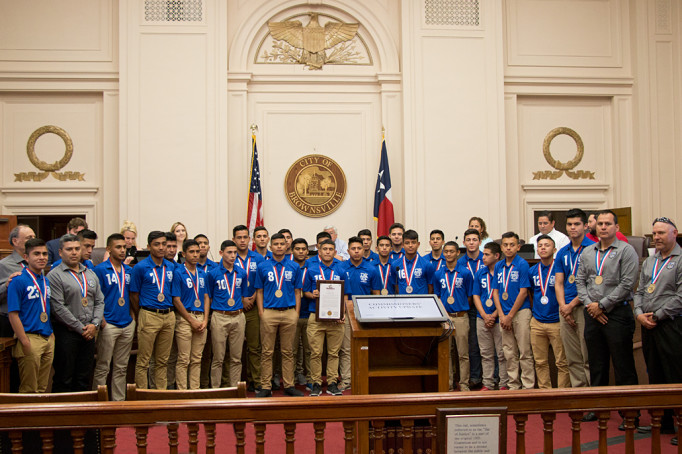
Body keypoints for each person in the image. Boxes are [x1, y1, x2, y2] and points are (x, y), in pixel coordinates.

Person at [576, 210, 639, 428]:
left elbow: (627, 284)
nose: (603, 227)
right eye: (600, 223)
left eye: (607, 224)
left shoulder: (626, 251)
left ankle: (630, 414)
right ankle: (598, 407)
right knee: (597, 364)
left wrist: (602, 305)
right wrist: (591, 306)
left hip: (617, 314)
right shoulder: (587, 252)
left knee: (623, 366)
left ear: (616, 228)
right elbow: (580, 283)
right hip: (592, 314)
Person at [634, 217, 682, 440]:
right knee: (655, 373)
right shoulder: (650, 262)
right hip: (648, 324)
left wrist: (659, 314)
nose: (657, 237)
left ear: (675, 233)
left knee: (675, 375)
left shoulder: (680, 259)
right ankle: (662, 423)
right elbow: (640, 291)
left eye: (662, 233)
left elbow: (681, 296)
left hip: (671, 324)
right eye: (654, 234)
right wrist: (639, 314)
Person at [48, 234, 104, 392]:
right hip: (67, 333)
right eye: (69, 249)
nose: (74, 252)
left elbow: (99, 301)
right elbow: (58, 307)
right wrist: (82, 329)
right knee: (64, 378)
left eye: (77, 249)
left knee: (83, 377)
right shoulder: (55, 275)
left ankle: (82, 414)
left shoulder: (90, 273)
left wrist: (95, 324)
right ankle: (62, 415)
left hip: (89, 332)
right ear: (60, 252)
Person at [254, 233, 304, 397]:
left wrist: (296, 313)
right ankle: (266, 386)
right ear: (270, 247)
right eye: (275, 244)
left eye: (282, 244)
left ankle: (289, 385)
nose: (279, 247)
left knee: (288, 352)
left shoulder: (294, 267)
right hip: (269, 313)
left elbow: (298, 291)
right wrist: (261, 313)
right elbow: (259, 291)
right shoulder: (263, 266)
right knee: (267, 352)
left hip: (289, 312)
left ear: (286, 246)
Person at [130, 231, 176, 389]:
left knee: (163, 360)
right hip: (149, 314)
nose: (162, 247)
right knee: (144, 361)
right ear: (149, 246)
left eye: (164, 244)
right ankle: (142, 396)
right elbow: (134, 294)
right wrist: (142, 311)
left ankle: (161, 395)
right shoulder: (140, 267)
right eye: (157, 244)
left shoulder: (171, 267)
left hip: (169, 315)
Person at [7, 238, 54, 393]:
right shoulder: (18, 280)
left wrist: (51, 335)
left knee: (42, 388)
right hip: (29, 337)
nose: (42, 257)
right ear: (26, 257)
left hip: (47, 337)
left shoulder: (45, 280)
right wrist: (24, 341)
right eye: (37, 254)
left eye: (45, 254)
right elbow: (13, 314)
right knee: (29, 389)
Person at [555, 209, 594, 391]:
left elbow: (593, 284)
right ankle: (578, 393)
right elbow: (559, 282)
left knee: (587, 356)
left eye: (576, 224)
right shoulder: (563, 252)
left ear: (585, 226)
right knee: (572, 357)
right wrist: (563, 306)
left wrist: (571, 305)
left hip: (584, 307)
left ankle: (590, 395)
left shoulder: (593, 249)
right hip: (565, 308)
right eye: (569, 224)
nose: (572, 228)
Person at [93, 234, 135, 401]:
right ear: (109, 249)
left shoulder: (129, 271)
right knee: (103, 366)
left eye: (124, 247)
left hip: (126, 323)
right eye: (118, 247)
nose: (123, 250)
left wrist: (132, 318)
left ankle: (119, 402)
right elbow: (96, 297)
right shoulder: (100, 270)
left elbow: (132, 297)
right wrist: (101, 319)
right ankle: (99, 401)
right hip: (108, 324)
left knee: (121, 367)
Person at [492, 232, 534, 390]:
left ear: (518, 247)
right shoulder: (498, 265)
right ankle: (513, 384)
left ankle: (528, 386)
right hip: (504, 314)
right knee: (509, 352)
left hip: (520, 313)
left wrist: (509, 316)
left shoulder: (522, 264)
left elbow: (524, 292)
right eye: (505, 245)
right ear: (501, 247)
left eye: (512, 245)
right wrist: (502, 315)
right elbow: (495, 291)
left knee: (524, 351)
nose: (508, 248)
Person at [304, 238, 347, 396]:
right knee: (315, 353)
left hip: (336, 318)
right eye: (325, 249)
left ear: (335, 252)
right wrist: (312, 294)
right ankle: (315, 382)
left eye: (331, 249)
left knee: (334, 353)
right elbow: (305, 292)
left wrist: (342, 313)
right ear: (319, 252)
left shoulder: (341, 269)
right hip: (316, 317)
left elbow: (345, 295)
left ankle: (332, 382)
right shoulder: (311, 269)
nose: (328, 251)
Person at [338, 236, 381, 391]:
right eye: (353, 249)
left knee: (367, 346)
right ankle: (347, 379)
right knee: (346, 348)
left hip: (366, 313)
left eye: (359, 249)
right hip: (346, 312)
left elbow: (376, 293)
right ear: (348, 250)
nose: (356, 251)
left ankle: (366, 375)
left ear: (364, 250)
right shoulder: (341, 268)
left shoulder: (371, 269)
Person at [528, 235, 570, 389]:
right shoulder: (532, 271)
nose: (543, 248)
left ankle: (562, 393)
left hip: (556, 321)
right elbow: (531, 293)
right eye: (540, 245)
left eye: (547, 245)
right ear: (536, 250)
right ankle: (545, 393)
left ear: (555, 249)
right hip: (537, 321)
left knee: (561, 362)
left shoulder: (560, 270)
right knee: (540, 362)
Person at [207, 240, 248, 388]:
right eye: (229, 252)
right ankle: (216, 389)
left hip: (238, 316)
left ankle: (235, 388)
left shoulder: (241, 273)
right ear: (221, 253)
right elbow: (209, 296)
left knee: (236, 358)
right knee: (218, 358)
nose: (233, 256)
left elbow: (242, 295)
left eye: (235, 253)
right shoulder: (213, 274)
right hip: (220, 316)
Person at [434, 241, 472, 391]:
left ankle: (464, 384)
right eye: (446, 252)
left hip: (461, 316)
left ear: (457, 253)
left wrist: (459, 307)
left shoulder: (465, 273)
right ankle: (448, 383)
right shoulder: (438, 274)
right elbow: (437, 296)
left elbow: (469, 296)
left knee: (463, 353)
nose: (448, 254)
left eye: (451, 251)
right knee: (446, 353)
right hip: (445, 318)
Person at [172, 239, 210, 390]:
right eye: (191, 252)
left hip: (201, 317)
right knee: (183, 358)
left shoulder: (203, 273)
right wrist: (190, 320)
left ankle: (194, 390)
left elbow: (207, 296)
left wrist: (206, 319)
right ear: (184, 254)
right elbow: (176, 299)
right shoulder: (178, 273)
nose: (195, 255)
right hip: (185, 318)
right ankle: (182, 392)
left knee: (197, 358)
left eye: (197, 252)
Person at [471, 242, 507, 391]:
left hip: (499, 318)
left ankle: (504, 383)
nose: (483, 257)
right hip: (482, 318)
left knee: (502, 353)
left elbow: (506, 296)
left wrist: (493, 315)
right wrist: (485, 315)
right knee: (485, 353)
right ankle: (488, 383)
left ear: (496, 256)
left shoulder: (503, 272)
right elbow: (476, 295)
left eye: (486, 254)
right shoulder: (480, 272)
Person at [233, 225, 265, 392]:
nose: (243, 240)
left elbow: (262, 283)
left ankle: (256, 381)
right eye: (239, 237)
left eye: (245, 237)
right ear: (234, 240)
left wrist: (251, 298)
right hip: (235, 308)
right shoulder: (230, 257)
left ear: (250, 239)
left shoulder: (258, 258)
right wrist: (241, 299)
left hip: (253, 307)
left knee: (254, 346)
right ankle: (233, 383)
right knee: (234, 349)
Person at [458, 228, 485, 389]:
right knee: (472, 344)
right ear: (464, 243)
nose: (471, 243)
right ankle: (475, 377)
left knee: (489, 344)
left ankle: (492, 377)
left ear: (480, 242)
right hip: (469, 307)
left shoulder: (487, 258)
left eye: (475, 240)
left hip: (487, 305)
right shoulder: (461, 262)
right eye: (468, 240)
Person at [0, 224, 36, 337]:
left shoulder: (35, 263)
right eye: (29, 238)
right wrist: (6, 285)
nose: (33, 241)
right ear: (15, 241)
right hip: (9, 321)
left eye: (34, 237)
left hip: (32, 319)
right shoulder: (4, 265)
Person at [291, 238, 312, 387]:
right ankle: (291, 378)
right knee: (291, 350)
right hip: (292, 313)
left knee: (309, 349)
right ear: (292, 251)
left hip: (309, 314)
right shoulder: (289, 267)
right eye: (297, 249)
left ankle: (311, 378)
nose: (301, 251)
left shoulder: (313, 269)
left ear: (307, 252)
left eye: (303, 249)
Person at [391, 230, 434, 295]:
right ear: (402, 244)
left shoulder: (427, 264)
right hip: (403, 303)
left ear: (418, 244)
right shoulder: (395, 265)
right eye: (407, 243)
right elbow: (396, 286)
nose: (410, 245)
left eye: (413, 242)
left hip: (421, 303)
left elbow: (430, 287)